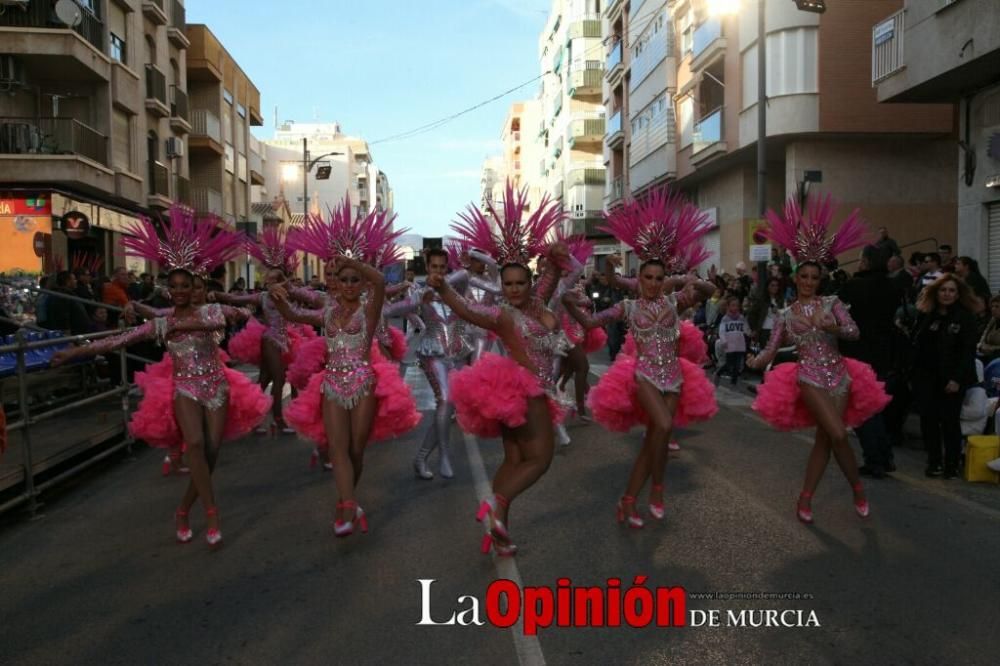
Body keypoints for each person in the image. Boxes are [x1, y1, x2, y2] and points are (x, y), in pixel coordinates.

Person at [51, 207, 270, 548]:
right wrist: (75, 351)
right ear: (169, 289)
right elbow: (116, 340)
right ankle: (212, 512)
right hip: (184, 387)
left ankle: (183, 510)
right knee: (194, 444)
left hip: (217, 386)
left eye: (188, 285)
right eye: (176, 286)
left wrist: (224, 309)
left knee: (210, 453)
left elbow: (234, 315)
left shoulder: (209, 312)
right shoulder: (161, 321)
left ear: (197, 286)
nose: (182, 290)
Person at [565, 187, 718, 527]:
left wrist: (689, 279)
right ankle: (654, 489)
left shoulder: (674, 303)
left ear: (665, 281)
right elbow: (591, 322)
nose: (652, 283)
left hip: (675, 378)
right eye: (647, 278)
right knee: (662, 426)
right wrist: (568, 305)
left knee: (656, 439)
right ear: (640, 279)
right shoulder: (629, 307)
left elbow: (709, 291)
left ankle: (632, 499)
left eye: (658, 279)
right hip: (645, 376)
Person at [442, 185, 572, 556]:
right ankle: (495, 506)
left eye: (519, 283)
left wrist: (553, 254)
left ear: (529, 284)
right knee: (541, 460)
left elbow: (554, 269)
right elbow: (468, 310)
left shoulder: (538, 301)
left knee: (515, 459)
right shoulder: (502, 314)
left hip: (528, 392)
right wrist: (443, 290)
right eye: (507, 284)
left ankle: (498, 531)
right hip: (526, 389)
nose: (513, 289)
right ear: (501, 287)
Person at [278, 203, 420, 536]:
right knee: (338, 448)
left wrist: (353, 261)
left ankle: (349, 502)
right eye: (344, 280)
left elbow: (381, 283)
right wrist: (281, 302)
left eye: (356, 280)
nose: (351, 284)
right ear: (337, 284)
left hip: (364, 383)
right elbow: (297, 316)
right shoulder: (327, 313)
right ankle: (346, 507)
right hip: (331, 385)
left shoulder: (368, 312)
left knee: (356, 449)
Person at [747, 196, 890, 524]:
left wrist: (835, 326)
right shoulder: (785, 314)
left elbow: (854, 333)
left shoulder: (833, 303)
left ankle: (806, 498)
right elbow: (771, 349)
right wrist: (755, 362)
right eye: (804, 277)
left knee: (826, 440)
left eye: (814, 277)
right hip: (808, 376)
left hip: (840, 376)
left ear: (819, 279)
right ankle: (857, 487)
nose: (809, 282)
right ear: (795, 279)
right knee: (839, 434)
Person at [838, 245, 904, 478]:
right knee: (873, 406)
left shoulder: (853, 286)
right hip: (883, 355)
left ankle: (876, 459)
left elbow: (839, 316)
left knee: (861, 409)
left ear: (865, 262)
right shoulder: (892, 285)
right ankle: (884, 457)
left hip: (857, 353)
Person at [911, 274, 979, 479]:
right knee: (928, 421)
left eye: (951, 290)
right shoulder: (927, 315)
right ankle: (934, 462)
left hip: (952, 379)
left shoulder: (965, 317)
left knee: (950, 422)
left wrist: (957, 379)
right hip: (926, 377)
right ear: (936, 292)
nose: (947, 294)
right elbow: (919, 345)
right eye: (943, 290)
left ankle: (951, 463)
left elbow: (968, 352)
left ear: (958, 294)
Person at [715, 296, 749, 387]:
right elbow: (721, 331)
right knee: (729, 364)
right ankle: (719, 372)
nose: (735, 307)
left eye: (737, 305)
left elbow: (745, 328)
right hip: (730, 344)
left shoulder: (741, 317)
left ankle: (733, 382)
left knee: (737, 365)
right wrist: (724, 341)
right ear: (728, 307)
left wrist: (749, 333)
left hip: (739, 344)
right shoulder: (725, 319)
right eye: (733, 305)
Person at [46, 270, 91, 335]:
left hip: (78, 334)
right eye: (74, 279)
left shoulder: (68, 294)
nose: (76, 281)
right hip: (73, 335)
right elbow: (63, 318)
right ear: (68, 282)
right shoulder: (62, 296)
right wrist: (67, 337)